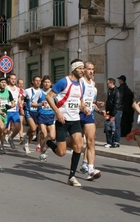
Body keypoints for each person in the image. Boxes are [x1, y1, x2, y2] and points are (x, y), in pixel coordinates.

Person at [40, 59, 91, 187]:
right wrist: (57, 112)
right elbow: (49, 96)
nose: (82, 70)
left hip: (75, 120)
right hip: (62, 120)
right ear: (74, 69)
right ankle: (48, 142)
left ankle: (72, 176)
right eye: (80, 68)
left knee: (79, 145)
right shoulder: (64, 82)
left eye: (83, 68)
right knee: (61, 153)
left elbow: (79, 100)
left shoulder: (81, 84)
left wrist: (84, 107)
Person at [77, 61, 102, 180]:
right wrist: (83, 107)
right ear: (83, 70)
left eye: (93, 69)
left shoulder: (93, 85)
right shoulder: (79, 82)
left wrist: (98, 109)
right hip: (76, 114)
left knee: (91, 141)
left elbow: (91, 101)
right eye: (89, 69)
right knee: (77, 143)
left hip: (88, 115)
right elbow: (77, 98)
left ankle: (90, 168)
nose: (91, 71)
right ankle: (56, 143)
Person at [34, 76, 56, 162]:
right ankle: (42, 154)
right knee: (44, 133)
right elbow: (33, 104)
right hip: (42, 116)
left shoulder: (54, 93)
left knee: (52, 136)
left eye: (48, 82)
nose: (47, 84)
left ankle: (44, 148)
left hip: (51, 116)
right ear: (43, 83)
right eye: (45, 82)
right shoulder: (39, 92)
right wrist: (41, 104)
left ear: (51, 83)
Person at [23, 76, 42, 154]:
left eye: (39, 81)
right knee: (33, 128)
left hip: (38, 112)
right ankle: (25, 136)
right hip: (29, 111)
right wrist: (21, 103)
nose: (38, 82)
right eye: (36, 80)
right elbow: (21, 98)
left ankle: (27, 144)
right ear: (33, 82)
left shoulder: (42, 91)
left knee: (32, 132)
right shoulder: (27, 90)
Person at [105, 78, 122, 147]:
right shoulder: (109, 91)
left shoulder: (116, 91)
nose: (107, 85)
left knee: (116, 126)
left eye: (108, 83)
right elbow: (109, 102)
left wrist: (113, 114)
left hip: (116, 111)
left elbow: (116, 103)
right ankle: (109, 141)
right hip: (109, 110)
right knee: (108, 126)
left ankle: (116, 141)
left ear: (112, 83)